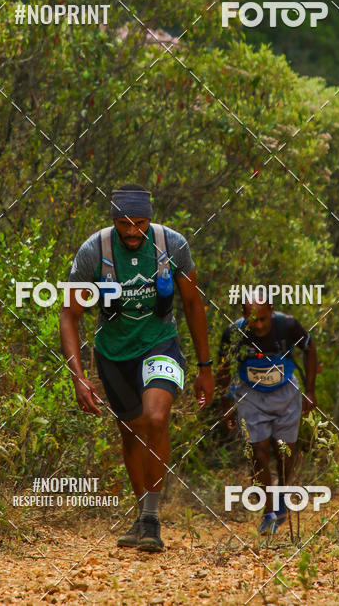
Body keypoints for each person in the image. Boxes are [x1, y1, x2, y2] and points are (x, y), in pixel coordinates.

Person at [60, 184, 214, 552]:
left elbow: (193, 304)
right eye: (123, 224)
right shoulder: (94, 251)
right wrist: (78, 378)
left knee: (156, 419)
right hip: (114, 354)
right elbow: (69, 315)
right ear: (113, 220)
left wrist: (205, 367)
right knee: (132, 432)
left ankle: (153, 518)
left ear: (150, 218)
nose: (132, 232)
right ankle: (142, 514)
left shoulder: (172, 245)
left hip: (161, 344)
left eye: (139, 223)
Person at [217, 294, 317, 533]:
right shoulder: (233, 333)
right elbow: (223, 366)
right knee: (258, 452)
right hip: (250, 395)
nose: (259, 325)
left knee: (284, 451)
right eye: (253, 320)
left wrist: (310, 391)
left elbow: (310, 350)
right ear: (243, 316)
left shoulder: (288, 325)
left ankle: (281, 492)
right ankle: (269, 512)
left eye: (263, 319)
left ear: (271, 311)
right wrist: (226, 402)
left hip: (285, 393)